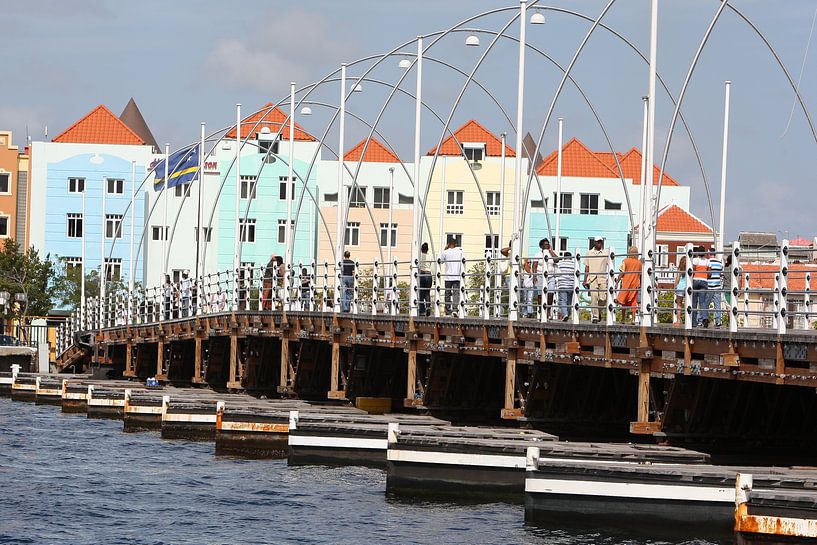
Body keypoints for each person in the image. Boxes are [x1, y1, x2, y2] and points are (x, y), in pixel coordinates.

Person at [583, 237, 610, 323]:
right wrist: (585, 280)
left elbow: (610, 265)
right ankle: (595, 317)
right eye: (597, 242)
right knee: (594, 298)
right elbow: (587, 267)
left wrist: (610, 278)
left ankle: (598, 312)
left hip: (602, 278)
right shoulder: (589, 253)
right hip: (592, 278)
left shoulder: (606, 253)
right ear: (594, 243)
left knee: (603, 299)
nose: (599, 243)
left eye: (600, 242)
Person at [615, 246, 642, 324]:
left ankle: (623, 319)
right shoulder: (639, 263)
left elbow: (622, 272)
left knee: (624, 301)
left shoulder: (625, 261)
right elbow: (640, 274)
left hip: (626, 283)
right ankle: (633, 319)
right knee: (634, 301)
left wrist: (617, 281)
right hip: (635, 284)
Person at [439, 237, 464, 316]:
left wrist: (445, 249)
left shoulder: (445, 252)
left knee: (447, 293)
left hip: (448, 276)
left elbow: (441, 261)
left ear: (448, 244)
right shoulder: (460, 252)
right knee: (456, 293)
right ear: (456, 244)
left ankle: (447, 309)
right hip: (457, 275)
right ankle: (455, 309)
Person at [538, 239, 559, 319]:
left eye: (548, 244)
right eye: (546, 244)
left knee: (551, 293)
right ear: (541, 246)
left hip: (550, 276)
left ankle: (548, 310)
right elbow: (535, 264)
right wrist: (534, 276)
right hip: (540, 275)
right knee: (540, 294)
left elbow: (557, 260)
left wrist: (551, 251)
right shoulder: (538, 254)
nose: (547, 246)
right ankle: (541, 310)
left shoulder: (551, 254)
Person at [691, 246, 710, 327]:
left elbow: (692, 270)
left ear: (698, 252)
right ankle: (705, 318)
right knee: (702, 302)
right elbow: (709, 273)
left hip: (695, 280)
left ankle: (694, 322)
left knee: (694, 302)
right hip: (704, 281)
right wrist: (705, 276)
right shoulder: (707, 261)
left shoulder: (695, 260)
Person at [707, 246, 724, 328]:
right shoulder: (720, 263)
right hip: (717, 286)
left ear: (709, 254)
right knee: (717, 305)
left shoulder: (707, 262)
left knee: (705, 304)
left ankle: (703, 320)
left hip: (708, 286)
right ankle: (718, 321)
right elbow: (721, 274)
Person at [557, 252, 576, 321]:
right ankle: (568, 314)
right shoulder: (574, 264)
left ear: (564, 257)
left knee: (563, 300)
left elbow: (557, 272)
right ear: (570, 257)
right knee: (569, 302)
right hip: (571, 285)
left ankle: (565, 315)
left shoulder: (560, 263)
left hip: (562, 284)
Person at [418, 242, 433, 316]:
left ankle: (422, 310)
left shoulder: (419, 256)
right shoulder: (430, 256)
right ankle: (428, 307)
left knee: (421, 292)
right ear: (427, 249)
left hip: (421, 273)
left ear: (421, 249)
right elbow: (431, 266)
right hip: (428, 274)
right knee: (427, 292)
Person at [674, 255, 688, 325]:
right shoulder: (689, 268)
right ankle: (688, 320)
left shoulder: (680, 268)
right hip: (687, 287)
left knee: (679, 305)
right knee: (687, 304)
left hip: (680, 287)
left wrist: (675, 287)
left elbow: (677, 278)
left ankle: (678, 321)